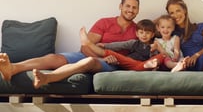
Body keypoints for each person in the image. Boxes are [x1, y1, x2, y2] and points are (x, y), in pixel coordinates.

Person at [0, 0, 140, 81]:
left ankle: (47, 77)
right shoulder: (105, 22)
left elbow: (159, 27)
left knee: (89, 61)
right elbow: (85, 48)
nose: (131, 10)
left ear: (138, 10)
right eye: (128, 6)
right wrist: (101, 56)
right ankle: (13, 68)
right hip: (91, 56)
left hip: (111, 65)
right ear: (120, 6)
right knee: (55, 58)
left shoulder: (138, 30)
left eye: (134, 7)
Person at [32, 19, 166, 89]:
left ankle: (88, 43)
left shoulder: (154, 45)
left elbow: (164, 56)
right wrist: (104, 45)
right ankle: (40, 75)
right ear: (137, 33)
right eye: (141, 32)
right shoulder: (133, 42)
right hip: (125, 62)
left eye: (147, 33)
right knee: (113, 55)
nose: (144, 35)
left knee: (104, 58)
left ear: (153, 34)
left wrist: (158, 51)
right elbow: (119, 45)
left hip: (139, 65)